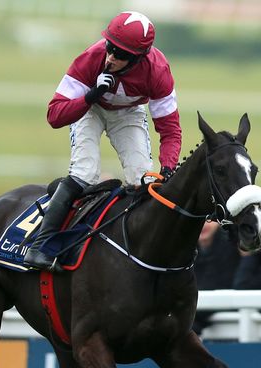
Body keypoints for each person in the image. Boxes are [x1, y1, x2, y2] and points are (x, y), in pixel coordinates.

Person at [25, 11, 181, 271]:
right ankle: (40, 246)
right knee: (85, 172)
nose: (110, 57)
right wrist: (90, 96)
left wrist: (167, 166)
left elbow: (170, 130)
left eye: (120, 55)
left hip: (128, 114)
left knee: (143, 178)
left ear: (139, 58)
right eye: (110, 47)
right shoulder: (91, 58)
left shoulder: (158, 71)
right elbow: (54, 115)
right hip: (89, 107)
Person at [192, 221, 240, 332]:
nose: (203, 225)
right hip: (201, 307)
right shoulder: (189, 248)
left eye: (209, 220)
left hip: (225, 303)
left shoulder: (230, 242)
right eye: (201, 220)